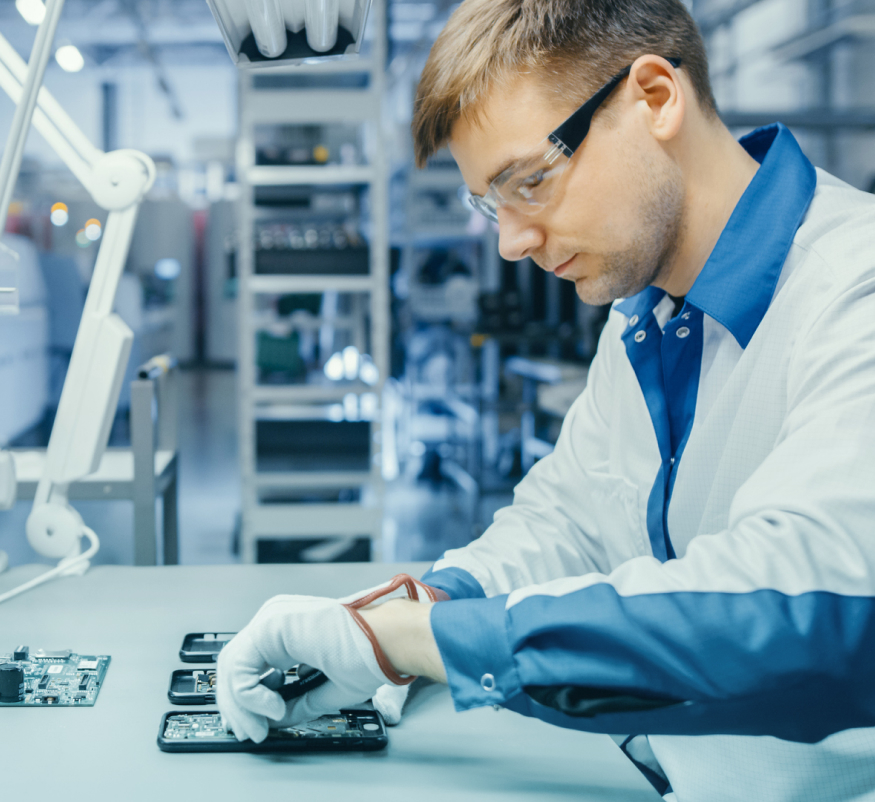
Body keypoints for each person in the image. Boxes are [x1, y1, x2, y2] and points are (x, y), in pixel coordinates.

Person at [217, 1, 875, 798]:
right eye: (491, 203)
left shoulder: (852, 288)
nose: (511, 241)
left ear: (655, 97)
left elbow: (811, 614)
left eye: (529, 180)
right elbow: (567, 521)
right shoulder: (645, 312)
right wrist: (422, 603)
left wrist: (419, 641)